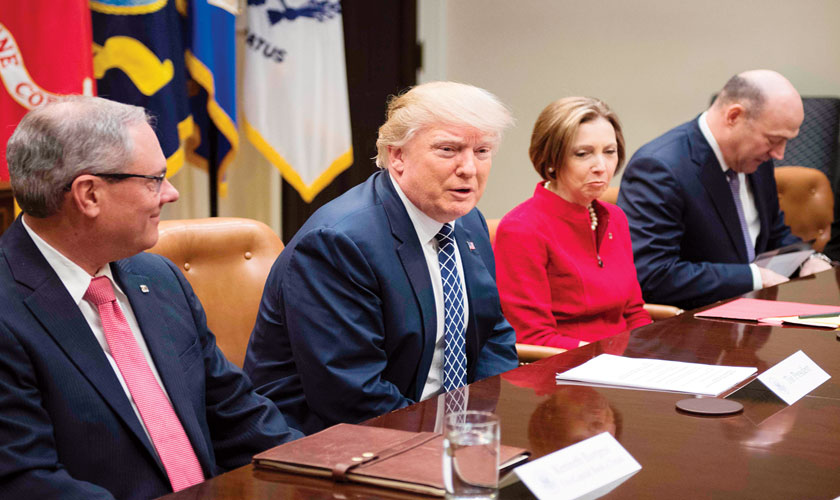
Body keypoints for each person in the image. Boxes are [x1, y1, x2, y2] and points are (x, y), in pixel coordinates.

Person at [0, 96, 301, 500]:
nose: (170, 193)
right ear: (89, 195)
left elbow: (236, 415)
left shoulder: (159, 278)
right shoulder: (8, 313)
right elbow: (27, 481)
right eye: (154, 179)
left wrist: (327, 470)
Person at [244, 81, 519, 435]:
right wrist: (444, 439)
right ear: (397, 156)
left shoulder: (467, 222)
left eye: (482, 151)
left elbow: (492, 331)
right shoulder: (337, 244)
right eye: (448, 149)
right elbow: (351, 394)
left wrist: (480, 419)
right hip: (331, 441)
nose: (469, 168)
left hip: (443, 430)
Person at [618, 70, 832, 311]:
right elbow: (653, 274)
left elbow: (774, 235)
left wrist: (808, 260)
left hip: (758, 316)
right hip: (695, 322)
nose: (779, 154)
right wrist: (753, 278)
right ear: (734, 116)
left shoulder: (756, 159)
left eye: (786, 141)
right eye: (773, 140)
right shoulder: (660, 167)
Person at [494, 97, 651, 350]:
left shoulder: (615, 217)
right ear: (551, 159)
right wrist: (608, 358)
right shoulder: (521, 228)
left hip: (623, 362)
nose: (601, 166)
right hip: (565, 367)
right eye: (583, 154)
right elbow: (532, 337)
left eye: (609, 152)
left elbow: (634, 312)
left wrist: (649, 352)